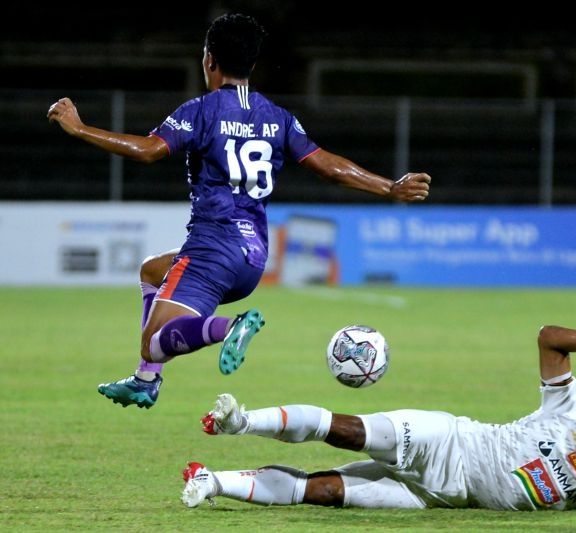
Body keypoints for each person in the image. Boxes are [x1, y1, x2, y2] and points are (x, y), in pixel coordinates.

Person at [46, 13, 431, 410]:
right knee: (151, 270)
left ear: (209, 60)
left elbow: (148, 151)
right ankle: (145, 380)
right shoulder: (277, 117)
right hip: (253, 258)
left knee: (155, 343)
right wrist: (389, 186)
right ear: (252, 64)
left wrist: (80, 129)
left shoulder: (202, 110)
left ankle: (229, 328)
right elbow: (326, 165)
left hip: (212, 249)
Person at [181, 323, 576, 514]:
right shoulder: (570, 411)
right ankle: (242, 421)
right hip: (449, 442)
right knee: (350, 432)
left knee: (324, 494)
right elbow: (548, 338)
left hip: (441, 496)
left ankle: (214, 483)